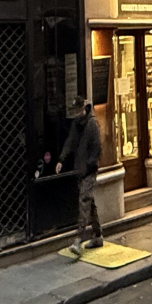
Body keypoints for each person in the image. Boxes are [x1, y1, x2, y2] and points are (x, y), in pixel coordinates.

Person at [55, 96, 103, 255]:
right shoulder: (77, 124)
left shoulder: (92, 124)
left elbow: (96, 147)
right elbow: (70, 142)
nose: (76, 114)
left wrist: (90, 165)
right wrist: (61, 159)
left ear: (83, 108)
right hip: (80, 169)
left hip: (88, 169)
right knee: (89, 202)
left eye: (77, 110)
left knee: (83, 201)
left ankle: (78, 238)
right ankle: (97, 235)